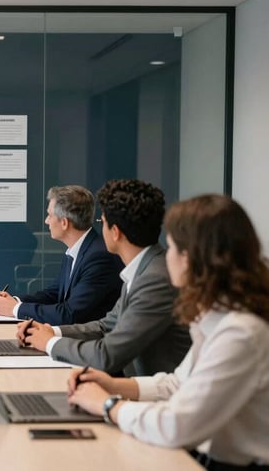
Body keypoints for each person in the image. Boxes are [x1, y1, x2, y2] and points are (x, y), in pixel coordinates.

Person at [67, 194, 269, 470]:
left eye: (171, 246)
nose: (166, 255)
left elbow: (176, 426)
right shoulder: (216, 317)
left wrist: (108, 405)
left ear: (191, 258)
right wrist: (114, 385)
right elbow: (177, 384)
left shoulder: (241, 333)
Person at [18, 179, 191, 376]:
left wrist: (49, 342)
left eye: (102, 222)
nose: (99, 230)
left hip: (158, 397)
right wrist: (51, 331)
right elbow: (104, 326)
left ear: (115, 232)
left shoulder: (155, 279)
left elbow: (105, 356)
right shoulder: (142, 270)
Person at [0, 185, 123, 324]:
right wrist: (14, 301)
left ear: (64, 223)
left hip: (89, 341)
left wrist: (15, 309)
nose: (47, 221)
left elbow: (69, 314)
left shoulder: (99, 257)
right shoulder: (77, 250)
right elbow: (54, 294)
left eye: (50, 215)